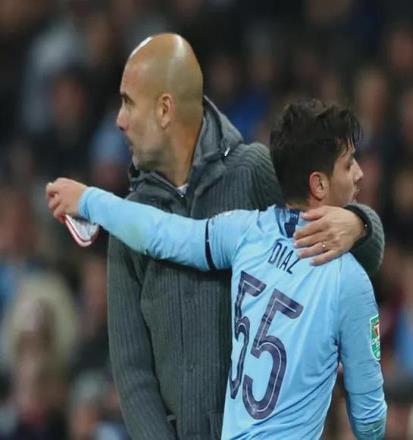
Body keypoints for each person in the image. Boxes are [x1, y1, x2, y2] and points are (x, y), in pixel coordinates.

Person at [53, 33, 385, 439]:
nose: (119, 120)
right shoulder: (132, 220)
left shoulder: (251, 174)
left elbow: (343, 239)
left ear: (164, 109)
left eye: (127, 102)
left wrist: (358, 223)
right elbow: (132, 369)